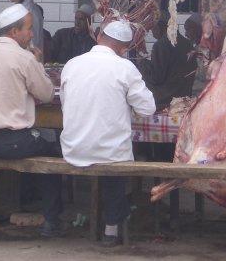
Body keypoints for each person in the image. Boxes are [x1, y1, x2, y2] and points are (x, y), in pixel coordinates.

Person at [0, 4, 65, 236]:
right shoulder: (25, 59)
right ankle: (51, 221)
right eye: (28, 29)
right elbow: (46, 94)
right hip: (16, 142)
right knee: (53, 151)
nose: (32, 34)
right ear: (14, 32)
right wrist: (38, 64)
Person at [60, 20, 155, 246]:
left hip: (74, 149)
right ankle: (111, 230)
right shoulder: (125, 68)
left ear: (99, 36)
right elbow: (147, 108)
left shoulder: (72, 65)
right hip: (111, 153)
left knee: (107, 159)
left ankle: (106, 216)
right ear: (124, 49)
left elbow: (65, 105)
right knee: (114, 172)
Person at [138, 10, 197, 108]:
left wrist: (142, 63)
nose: (151, 31)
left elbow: (156, 78)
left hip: (166, 97)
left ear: (161, 26)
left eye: (153, 27)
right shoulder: (187, 43)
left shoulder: (161, 45)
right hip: (185, 94)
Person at [183, 13, 207, 97]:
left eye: (188, 30)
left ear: (198, 29)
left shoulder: (206, 51)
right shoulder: (195, 49)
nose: (186, 34)